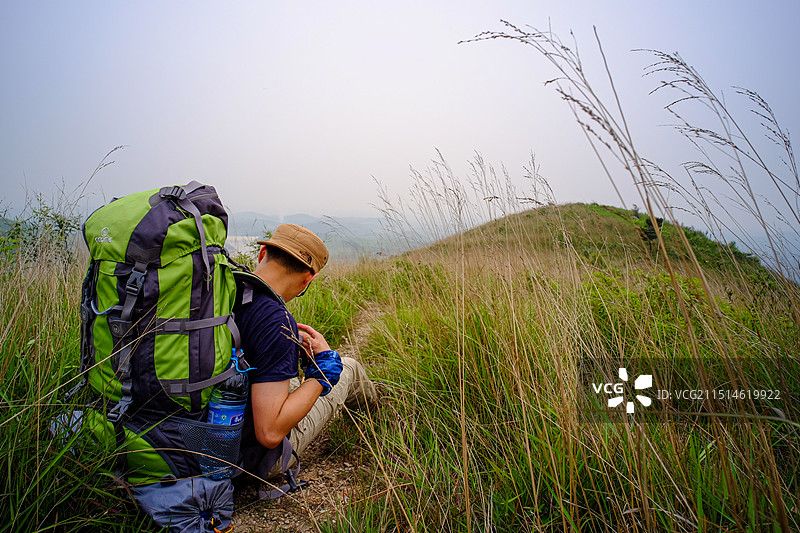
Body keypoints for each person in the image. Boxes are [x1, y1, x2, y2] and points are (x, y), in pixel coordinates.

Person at [234, 224, 376, 493]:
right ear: (308, 279)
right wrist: (324, 369)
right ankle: (376, 425)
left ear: (263, 252)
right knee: (349, 367)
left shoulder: (225, 293)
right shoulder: (276, 320)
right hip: (253, 461)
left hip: (197, 446)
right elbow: (270, 433)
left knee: (293, 382)